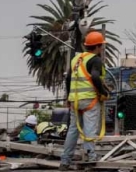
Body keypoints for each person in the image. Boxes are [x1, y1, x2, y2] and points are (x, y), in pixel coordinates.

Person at [59, 31, 109, 170]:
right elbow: (94, 76)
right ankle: (91, 157)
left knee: (73, 130)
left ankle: (65, 161)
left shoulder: (76, 59)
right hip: (89, 100)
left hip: (75, 100)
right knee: (89, 129)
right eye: (101, 46)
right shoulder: (96, 60)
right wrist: (103, 92)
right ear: (98, 46)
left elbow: (68, 78)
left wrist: (68, 97)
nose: (102, 48)